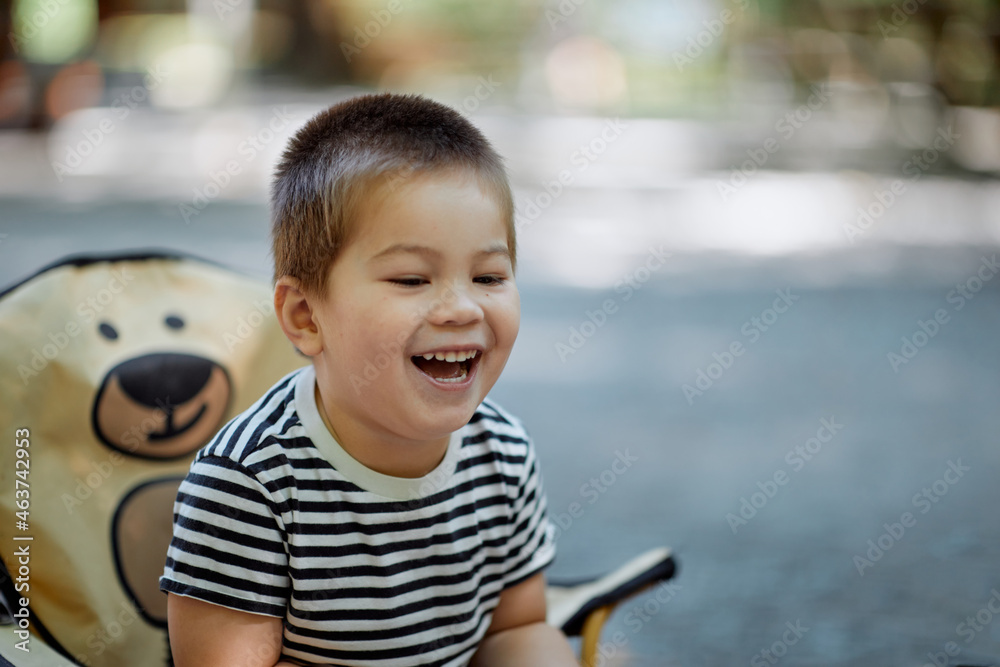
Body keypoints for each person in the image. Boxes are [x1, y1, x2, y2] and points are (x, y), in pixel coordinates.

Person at [159, 93, 578, 667]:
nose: (461, 308)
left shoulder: (502, 454)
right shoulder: (250, 486)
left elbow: (519, 628)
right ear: (306, 317)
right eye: (410, 279)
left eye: (488, 275)